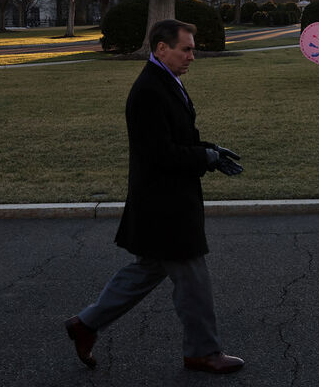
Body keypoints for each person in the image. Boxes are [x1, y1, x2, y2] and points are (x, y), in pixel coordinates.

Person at [65, 19, 244, 374]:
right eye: (186, 49)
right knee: (193, 280)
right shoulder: (149, 90)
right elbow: (160, 153)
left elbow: (178, 138)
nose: (192, 55)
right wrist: (203, 158)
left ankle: (85, 325)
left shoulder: (165, 81)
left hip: (164, 203)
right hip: (166, 207)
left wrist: (210, 150)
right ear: (162, 49)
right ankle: (202, 352)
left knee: (145, 272)